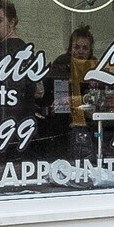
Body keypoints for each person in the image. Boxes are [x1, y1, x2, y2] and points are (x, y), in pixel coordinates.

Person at [46, 27, 98, 162]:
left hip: (89, 125)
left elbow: (99, 98)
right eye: (76, 47)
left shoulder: (95, 66)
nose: (80, 51)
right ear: (70, 48)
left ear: (90, 50)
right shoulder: (61, 63)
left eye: (85, 48)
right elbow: (49, 94)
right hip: (62, 124)